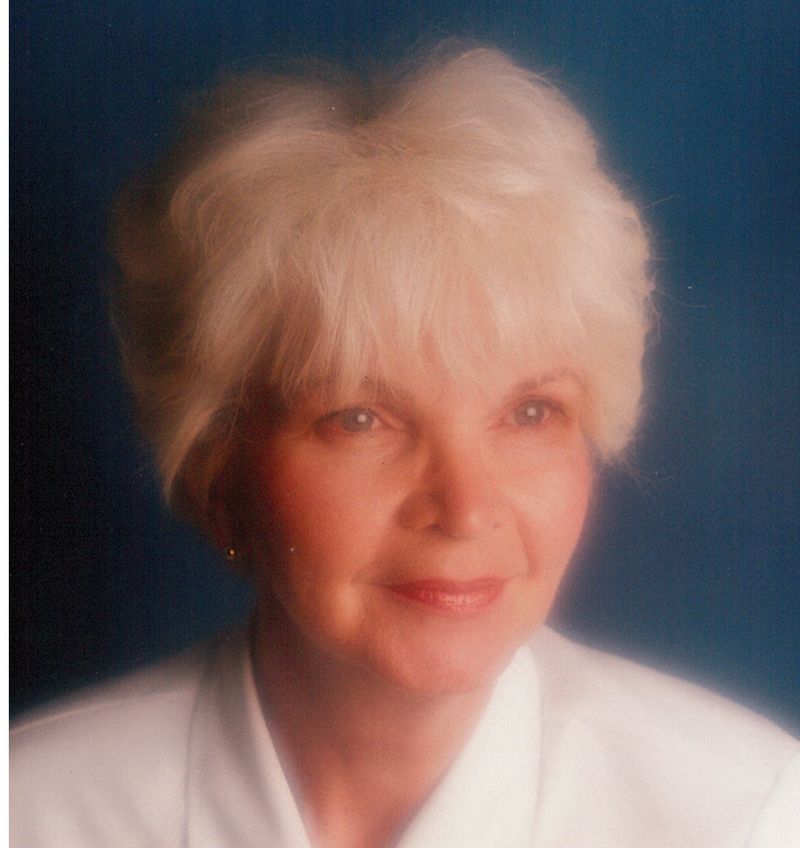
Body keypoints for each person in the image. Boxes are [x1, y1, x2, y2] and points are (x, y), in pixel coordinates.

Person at [10, 44, 800, 847]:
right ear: (217, 473)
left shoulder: (742, 817)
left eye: (530, 412)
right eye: (360, 419)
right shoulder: (35, 813)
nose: (465, 509)